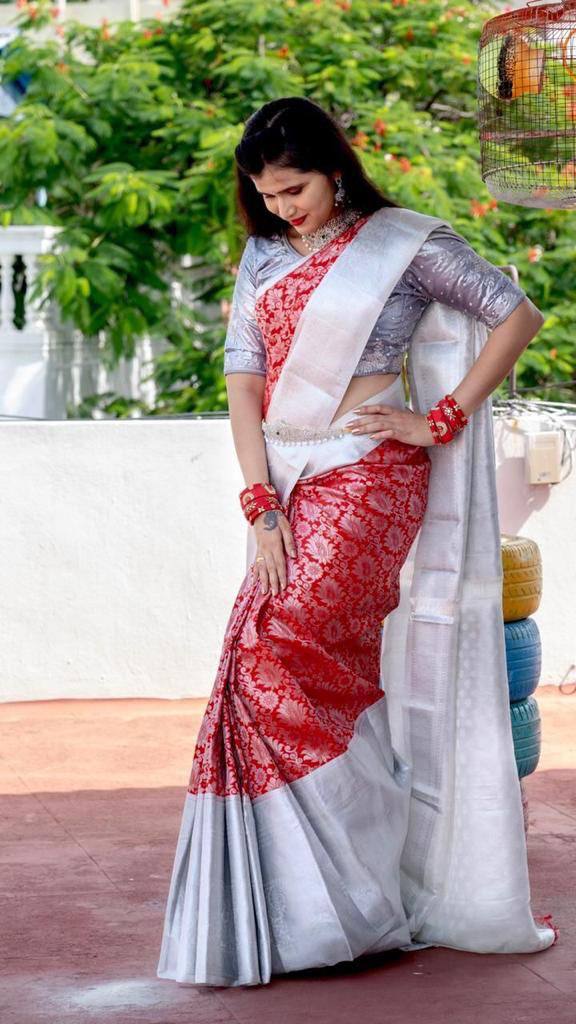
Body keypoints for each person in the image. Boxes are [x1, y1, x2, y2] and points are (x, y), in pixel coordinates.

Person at [156, 96, 558, 989]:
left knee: (282, 650)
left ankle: (342, 894)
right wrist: (260, 506)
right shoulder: (262, 257)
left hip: (371, 476)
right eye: (265, 195)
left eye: (293, 188)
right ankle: (325, 904)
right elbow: (244, 384)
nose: (281, 208)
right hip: (288, 485)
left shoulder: (402, 244)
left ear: (334, 168)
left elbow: (516, 312)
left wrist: (440, 419)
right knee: (278, 666)